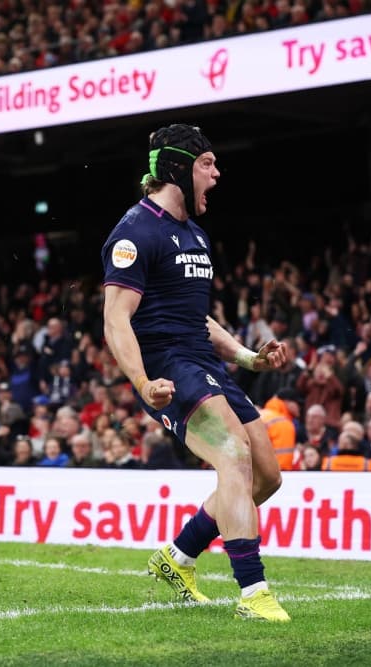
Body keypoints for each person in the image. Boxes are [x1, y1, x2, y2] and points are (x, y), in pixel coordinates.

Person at [101, 123, 290, 622]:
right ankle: (253, 592)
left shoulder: (195, 235)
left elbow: (198, 320)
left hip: (203, 363)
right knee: (234, 455)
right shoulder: (135, 232)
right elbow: (116, 319)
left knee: (267, 477)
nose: (217, 173)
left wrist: (248, 358)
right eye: (208, 164)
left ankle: (178, 558)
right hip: (166, 366)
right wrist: (143, 383)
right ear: (180, 170)